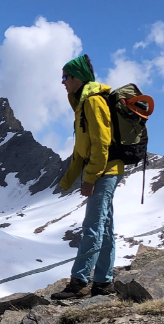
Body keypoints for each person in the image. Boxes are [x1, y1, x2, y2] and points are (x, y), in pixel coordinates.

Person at [50, 55, 124, 300]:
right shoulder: (83, 103)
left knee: (92, 226)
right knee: (105, 227)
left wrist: (90, 178)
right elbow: (81, 150)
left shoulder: (92, 102)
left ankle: (79, 283)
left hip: (104, 171)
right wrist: (67, 182)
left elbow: (101, 144)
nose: (62, 83)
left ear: (77, 78)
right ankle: (103, 282)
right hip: (103, 171)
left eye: (65, 77)